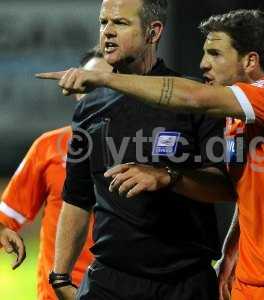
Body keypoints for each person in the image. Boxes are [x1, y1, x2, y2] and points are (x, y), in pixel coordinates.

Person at [38, 8, 264, 300]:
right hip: (252, 284)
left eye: (214, 54)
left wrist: (103, 78)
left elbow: (192, 98)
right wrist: (231, 252)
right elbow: (244, 193)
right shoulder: (238, 125)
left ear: (250, 61)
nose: (202, 63)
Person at [39, 0, 233, 299]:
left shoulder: (194, 98)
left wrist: (168, 176)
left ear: (153, 32)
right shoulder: (89, 107)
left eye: (120, 23)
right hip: (109, 282)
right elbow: (77, 198)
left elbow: (224, 187)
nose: (107, 32)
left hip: (183, 284)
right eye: (103, 22)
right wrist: (60, 276)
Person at [0, 48, 112, 300]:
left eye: (108, 84)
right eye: (90, 83)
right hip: (58, 294)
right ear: (75, 91)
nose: (99, 93)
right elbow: (5, 220)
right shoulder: (49, 147)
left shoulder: (142, 149)